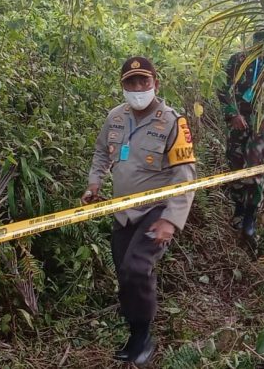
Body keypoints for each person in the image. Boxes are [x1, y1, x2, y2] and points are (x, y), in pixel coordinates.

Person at [81, 56, 196, 366]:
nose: (137, 88)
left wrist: (171, 220)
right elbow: (100, 153)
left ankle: (142, 337)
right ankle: (136, 324)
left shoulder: (172, 121)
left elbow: (185, 175)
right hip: (123, 212)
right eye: (130, 83)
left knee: (135, 267)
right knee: (125, 271)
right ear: (122, 87)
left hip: (155, 210)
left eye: (143, 81)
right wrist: (94, 184)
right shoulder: (115, 117)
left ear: (155, 83)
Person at [217, 31, 264, 253]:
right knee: (235, 162)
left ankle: (251, 216)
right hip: (239, 120)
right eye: (258, 42)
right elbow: (223, 88)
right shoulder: (237, 60)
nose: (261, 47)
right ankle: (238, 208)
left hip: (262, 124)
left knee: (257, 169)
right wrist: (232, 114)